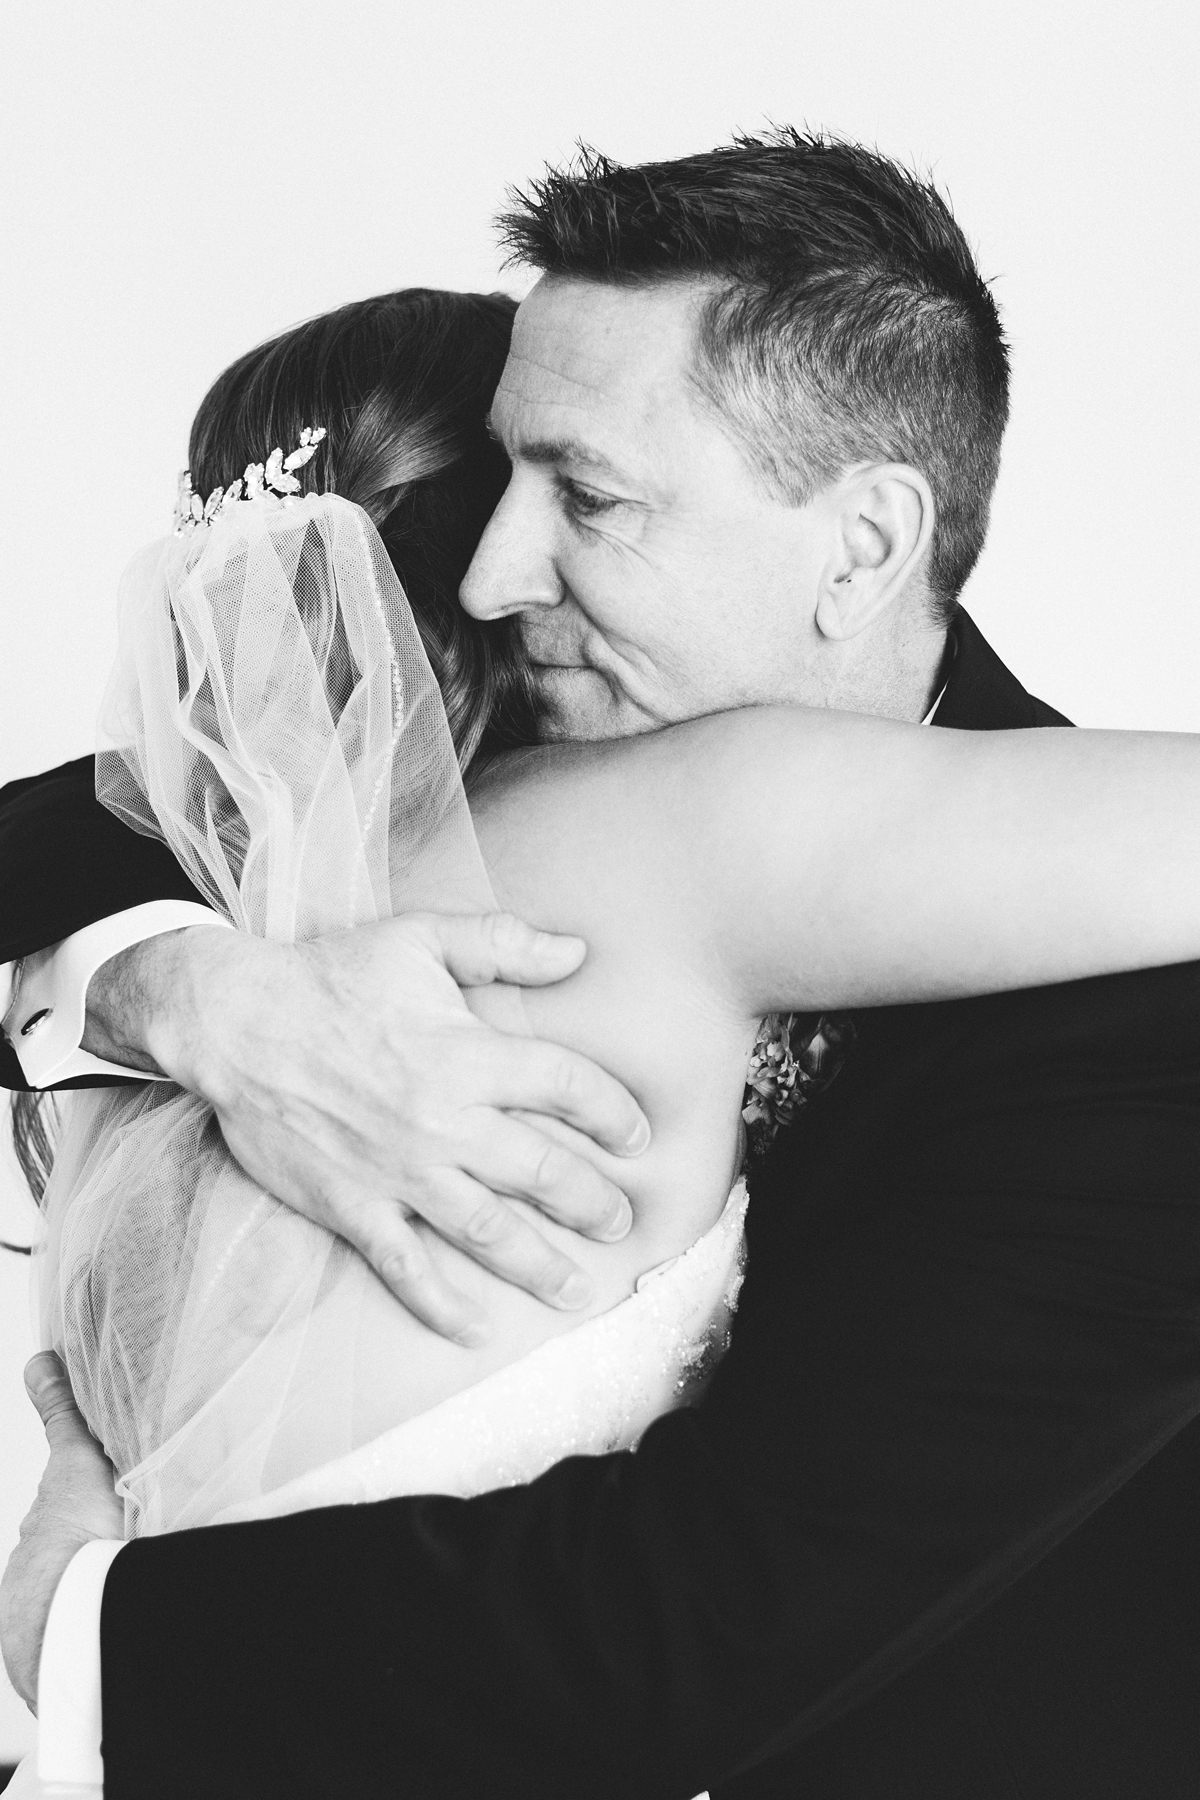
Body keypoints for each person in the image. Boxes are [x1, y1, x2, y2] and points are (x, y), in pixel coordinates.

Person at [4, 131, 1200, 1799]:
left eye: (589, 494)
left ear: (860, 548)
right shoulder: (452, 798)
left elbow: (708, 1616)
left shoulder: (1140, 1016)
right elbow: (46, 841)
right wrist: (185, 992)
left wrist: (85, 1630)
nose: (496, 572)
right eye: (497, 482)